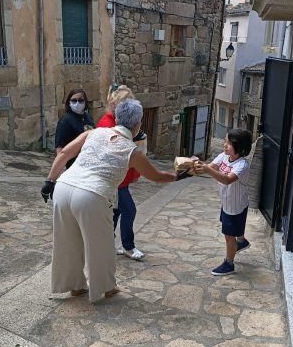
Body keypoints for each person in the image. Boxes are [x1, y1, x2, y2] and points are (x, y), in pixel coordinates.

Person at [41, 100, 190, 303]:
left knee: (67, 241)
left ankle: (74, 286)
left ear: (117, 118)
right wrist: (179, 176)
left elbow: (66, 153)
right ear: (138, 124)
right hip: (92, 195)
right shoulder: (131, 150)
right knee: (101, 244)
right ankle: (105, 288)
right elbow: (156, 176)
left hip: (64, 186)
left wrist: (50, 181)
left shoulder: (93, 133)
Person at [194, 129, 252, 276]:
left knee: (228, 236)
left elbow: (227, 180)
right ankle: (242, 241)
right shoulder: (223, 157)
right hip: (227, 202)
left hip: (235, 206)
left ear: (239, 147)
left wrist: (207, 169)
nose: (224, 145)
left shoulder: (242, 165)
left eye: (228, 143)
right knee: (234, 229)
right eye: (225, 141)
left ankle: (229, 263)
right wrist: (196, 164)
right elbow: (210, 168)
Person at [97, 85, 145, 260]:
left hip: (119, 178)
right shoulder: (108, 123)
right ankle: (128, 246)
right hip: (114, 179)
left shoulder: (115, 121)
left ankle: (108, 244)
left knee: (115, 212)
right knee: (129, 210)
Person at [55, 88, 95, 168]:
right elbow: (60, 146)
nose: (77, 103)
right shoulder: (65, 120)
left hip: (89, 161)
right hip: (74, 163)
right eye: (74, 100)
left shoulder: (87, 117)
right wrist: (59, 166)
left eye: (80, 100)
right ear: (69, 102)